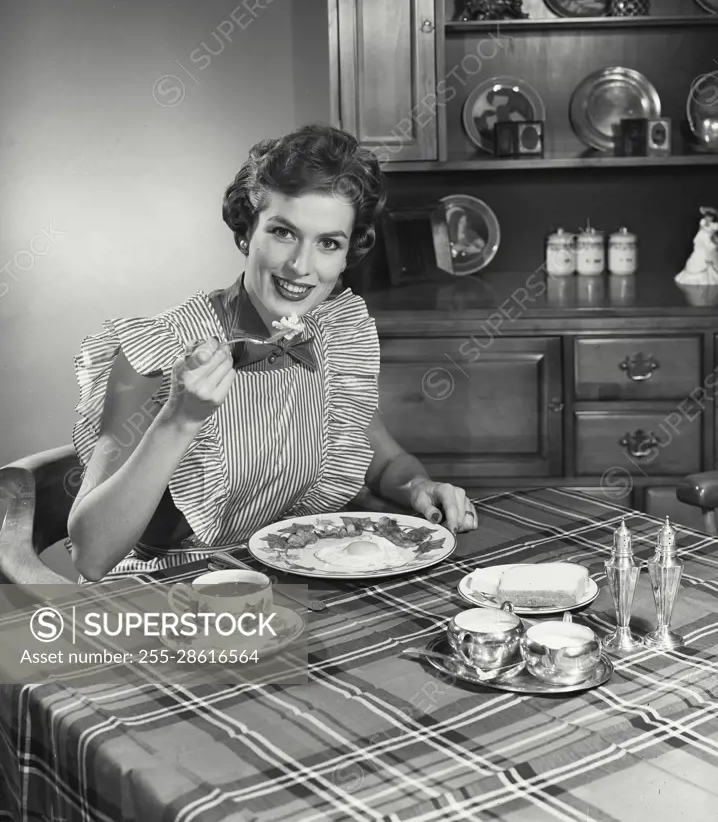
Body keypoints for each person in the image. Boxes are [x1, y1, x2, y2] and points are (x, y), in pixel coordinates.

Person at [67, 125, 478, 582]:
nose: (302, 266)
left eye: (328, 243)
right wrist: (179, 418)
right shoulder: (157, 349)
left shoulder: (334, 336)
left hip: (293, 579)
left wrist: (420, 487)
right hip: (167, 594)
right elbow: (90, 553)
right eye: (284, 232)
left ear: (346, 256)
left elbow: (383, 460)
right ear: (247, 232)